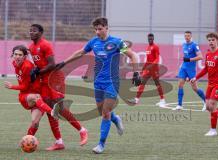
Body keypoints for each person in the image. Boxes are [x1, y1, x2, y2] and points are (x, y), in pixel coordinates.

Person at [55, 17, 140, 154]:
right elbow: (80, 52)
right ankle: (116, 119)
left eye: (100, 29)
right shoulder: (93, 42)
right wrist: (64, 62)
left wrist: (136, 73)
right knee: (103, 111)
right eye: (95, 29)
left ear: (107, 28)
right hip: (98, 81)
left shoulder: (117, 42)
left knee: (105, 113)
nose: (97, 32)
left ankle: (101, 144)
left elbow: (133, 55)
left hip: (112, 81)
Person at [29, 24, 88, 150]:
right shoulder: (31, 47)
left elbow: (52, 64)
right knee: (50, 110)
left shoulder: (45, 45)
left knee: (59, 108)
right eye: (30, 30)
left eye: (34, 31)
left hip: (54, 78)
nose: (31, 32)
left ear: (40, 33)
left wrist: (38, 71)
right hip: (45, 80)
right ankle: (59, 142)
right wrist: (36, 71)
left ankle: (82, 130)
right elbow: (41, 65)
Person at [4, 45, 55, 137]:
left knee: (35, 123)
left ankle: (27, 140)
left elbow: (24, 85)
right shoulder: (15, 63)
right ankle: (51, 111)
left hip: (38, 98)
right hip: (25, 97)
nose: (17, 57)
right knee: (35, 97)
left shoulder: (27, 66)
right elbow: (24, 87)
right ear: (13, 55)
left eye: (20, 55)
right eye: (15, 54)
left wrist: (12, 86)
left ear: (24, 56)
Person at [190, 32, 218, 136]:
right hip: (210, 84)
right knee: (208, 107)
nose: (211, 42)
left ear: (217, 41)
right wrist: (195, 77)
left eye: (213, 40)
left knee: (211, 105)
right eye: (209, 40)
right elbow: (206, 69)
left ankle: (213, 130)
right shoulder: (208, 53)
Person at [127, 33, 166, 107]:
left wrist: (151, 65)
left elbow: (157, 58)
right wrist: (143, 68)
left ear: (153, 39)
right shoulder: (148, 47)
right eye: (149, 38)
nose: (150, 40)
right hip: (148, 70)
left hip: (154, 69)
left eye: (151, 38)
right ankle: (136, 99)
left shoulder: (155, 47)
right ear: (147, 39)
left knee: (157, 84)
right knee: (142, 83)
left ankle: (162, 100)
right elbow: (148, 60)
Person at [172, 31, 206, 111]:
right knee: (180, 84)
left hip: (191, 70)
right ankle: (179, 105)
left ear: (191, 36)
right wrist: (182, 65)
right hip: (184, 68)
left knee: (195, 88)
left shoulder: (194, 45)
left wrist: (190, 59)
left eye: (188, 36)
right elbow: (185, 58)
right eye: (185, 36)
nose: (186, 37)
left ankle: (206, 101)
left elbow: (200, 57)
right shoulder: (183, 45)